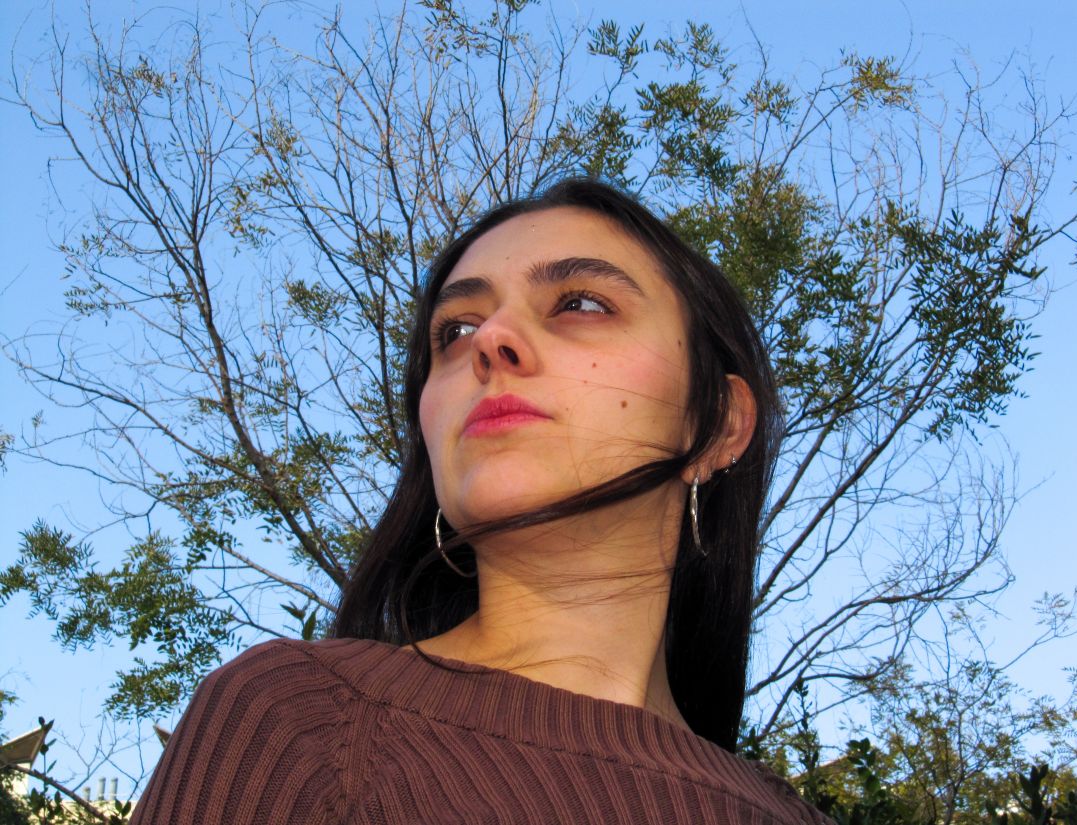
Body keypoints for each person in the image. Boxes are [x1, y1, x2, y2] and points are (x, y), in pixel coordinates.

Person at [129, 179, 830, 824]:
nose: (489, 340)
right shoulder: (294, 721)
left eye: (582, 304)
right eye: (455, 331)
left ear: (716, 422)